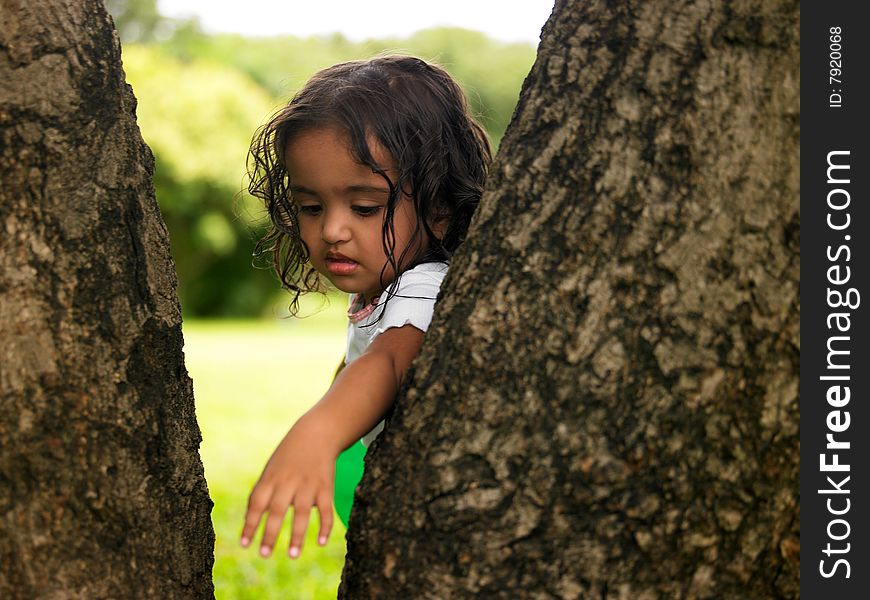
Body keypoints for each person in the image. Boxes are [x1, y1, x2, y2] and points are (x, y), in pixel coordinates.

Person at [240, 55, 492, 559]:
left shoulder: (424, 283)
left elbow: (388, 360)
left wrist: (320, 429)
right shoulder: (384, 283)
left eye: (364, 207)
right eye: (311, 207)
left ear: (439, 208)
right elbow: (358, 358)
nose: (332, 229)